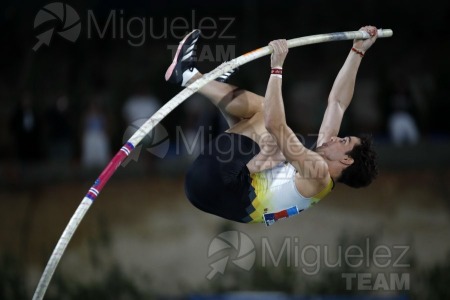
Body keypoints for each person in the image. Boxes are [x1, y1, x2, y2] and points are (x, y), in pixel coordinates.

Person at [165, 26, 378, 226]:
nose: (334, 138)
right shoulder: (318, 167)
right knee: (267, 141)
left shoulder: (319, 173)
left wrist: (277, 67)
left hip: (218, 183)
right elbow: (338, 104)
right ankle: (210, 85)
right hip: (208, 189)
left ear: (346, 159)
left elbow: (275, 125)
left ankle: (190, 77)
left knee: (269, 120)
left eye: (343, 141)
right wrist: (357, 51)